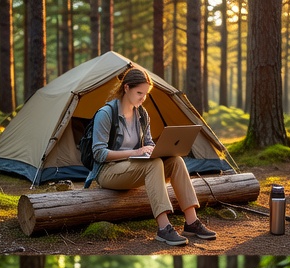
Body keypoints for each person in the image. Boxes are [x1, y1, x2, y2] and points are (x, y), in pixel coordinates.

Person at [87, 65, 217, 247]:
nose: (143, 98)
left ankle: (191, 222)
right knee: (153, 164)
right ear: (126, 88)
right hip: (108, 172)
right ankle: (164, 228)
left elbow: (148, 142)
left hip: (134, 168)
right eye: (140, 93)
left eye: (146, 94)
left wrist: (158, 150)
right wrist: (135, 152)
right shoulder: (106, 114)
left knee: (176, 161)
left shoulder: (142, 114)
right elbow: (99, 153)